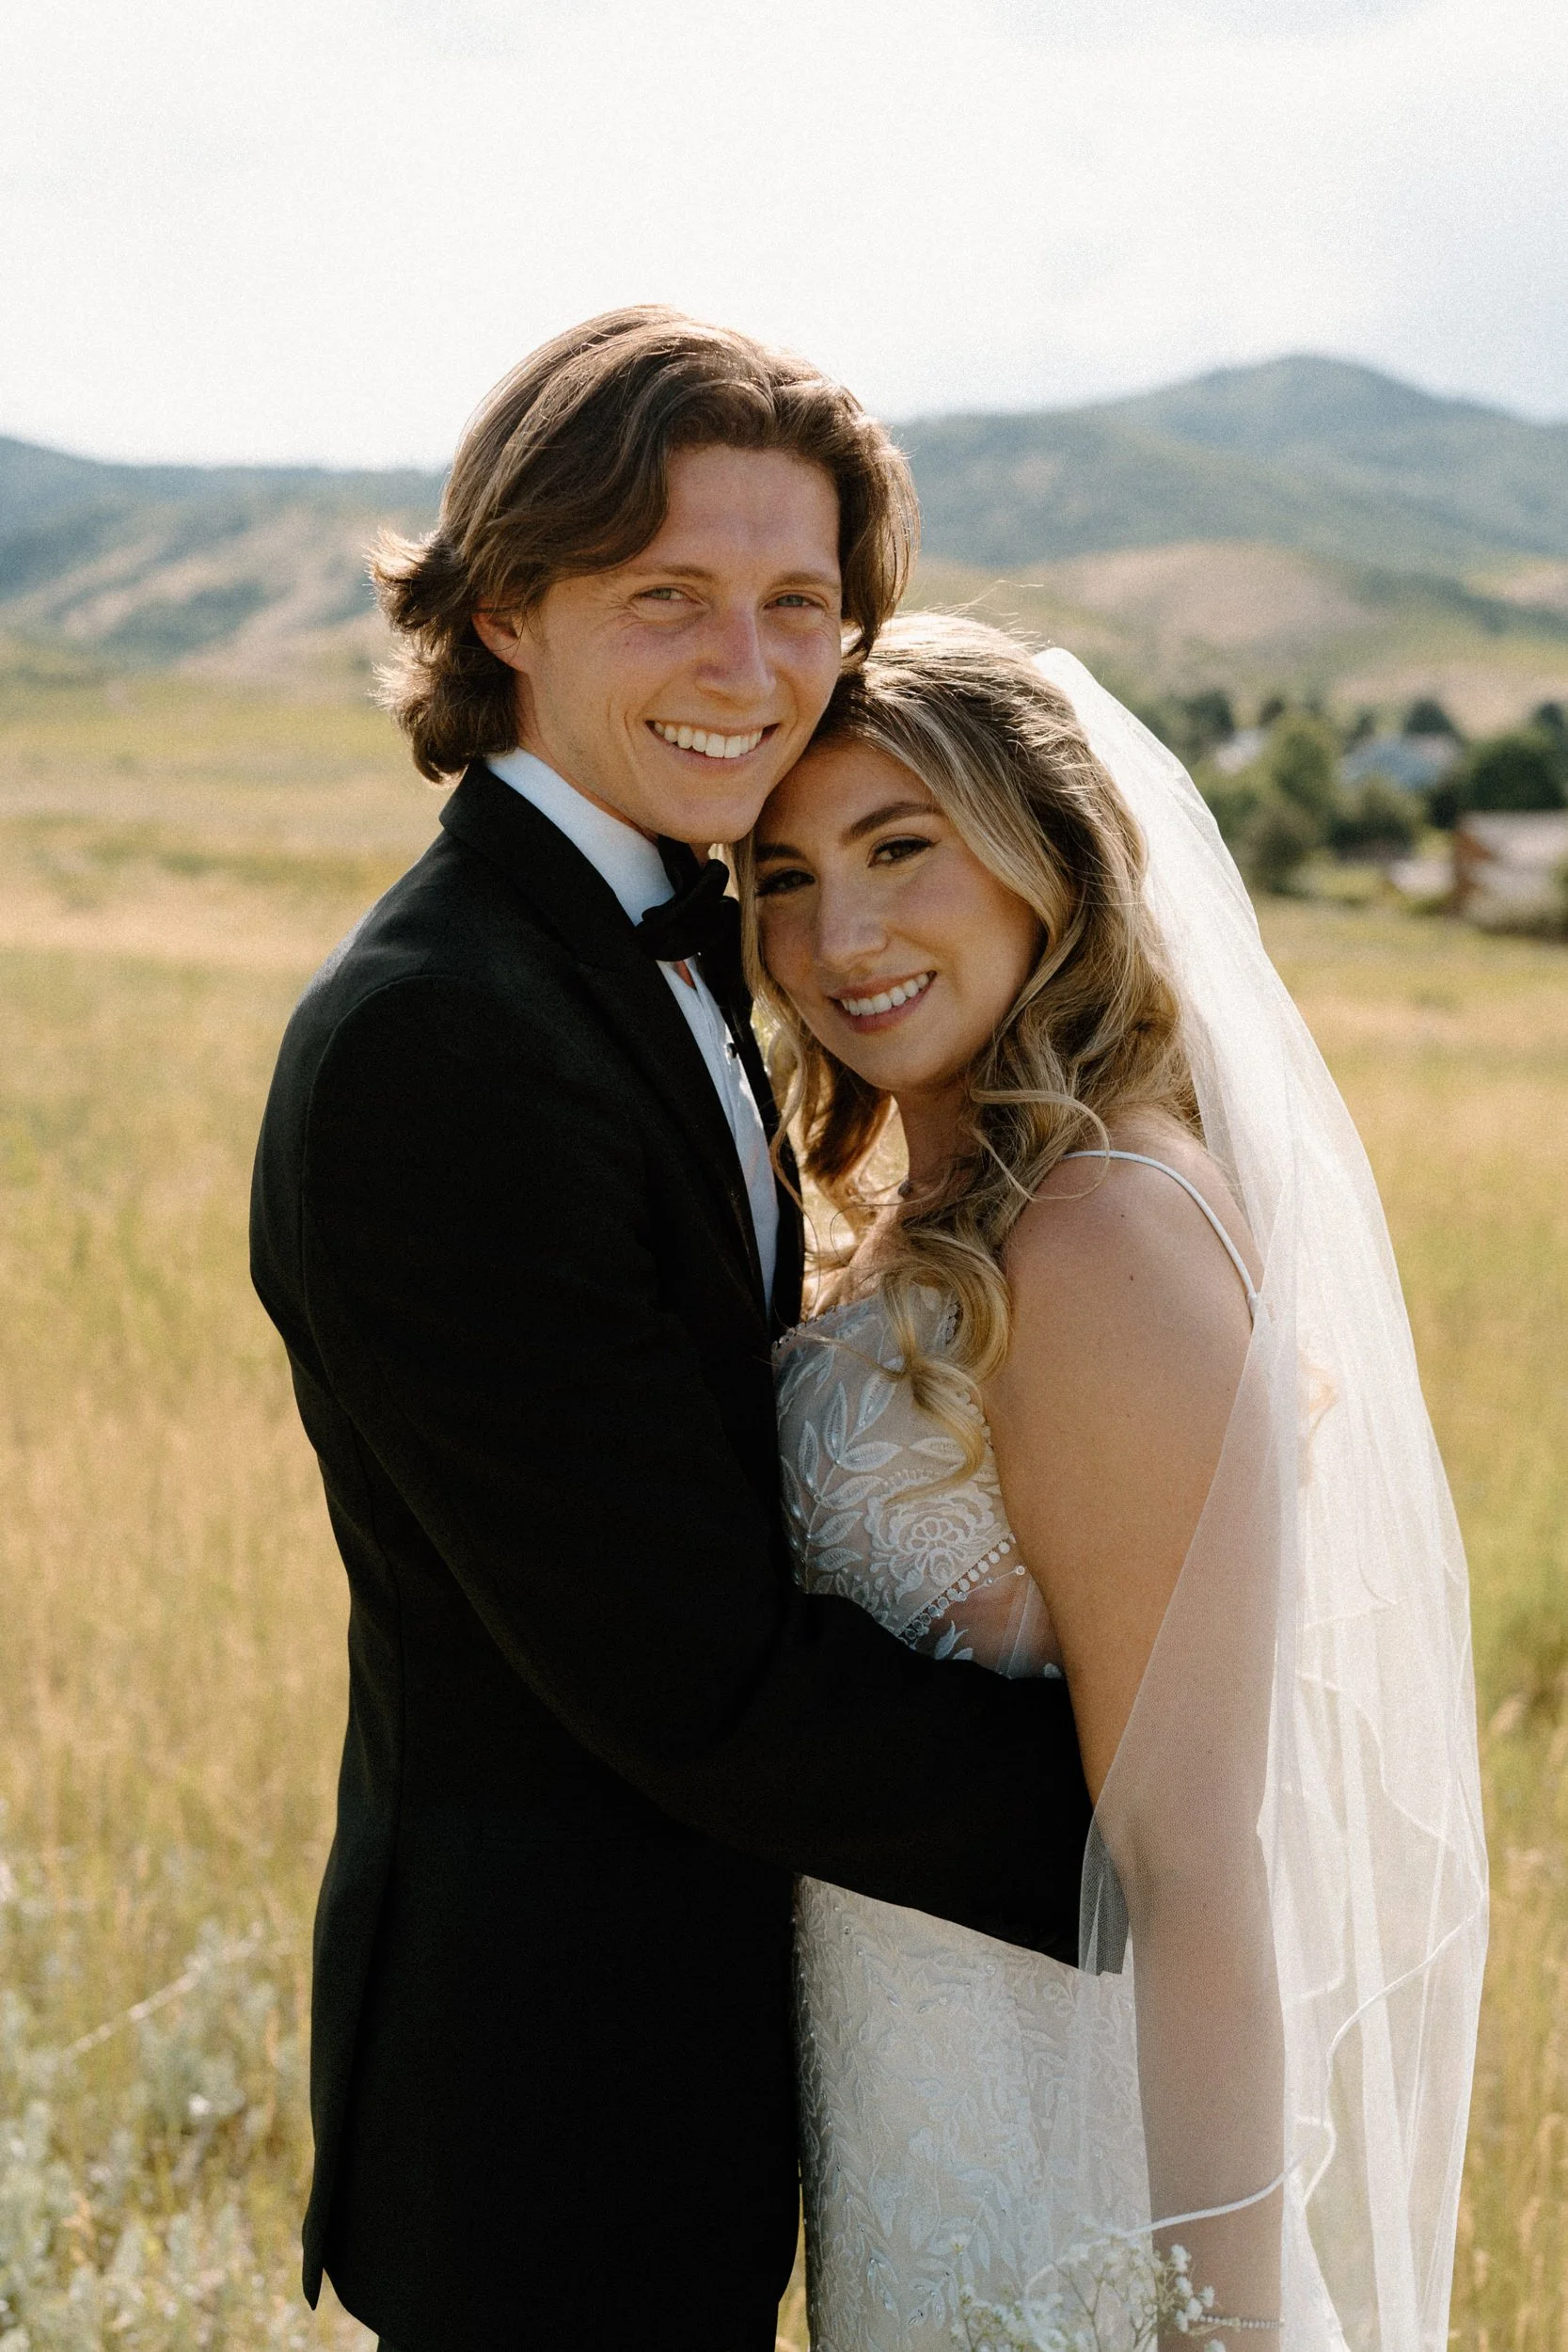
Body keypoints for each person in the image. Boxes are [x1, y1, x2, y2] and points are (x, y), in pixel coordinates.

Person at [249, 314, 1093, 2352]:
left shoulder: (668, 936)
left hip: (707, 2036)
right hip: (555, 2096)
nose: (748, 667)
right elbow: (688, 1674)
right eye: (668, 599)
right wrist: (1151, 1830)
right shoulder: (443, 1038)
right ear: (511, 606)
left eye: (797, 601)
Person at [746, 615, 1488, 2351]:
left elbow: (1196, 1862)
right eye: (782, 875)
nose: (835, 938)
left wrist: (1205, 2319)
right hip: (915, 2136)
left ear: (1046, 864)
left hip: (1066, 2184)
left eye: (899, 848)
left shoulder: (1097, 1234)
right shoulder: (955, 1216)